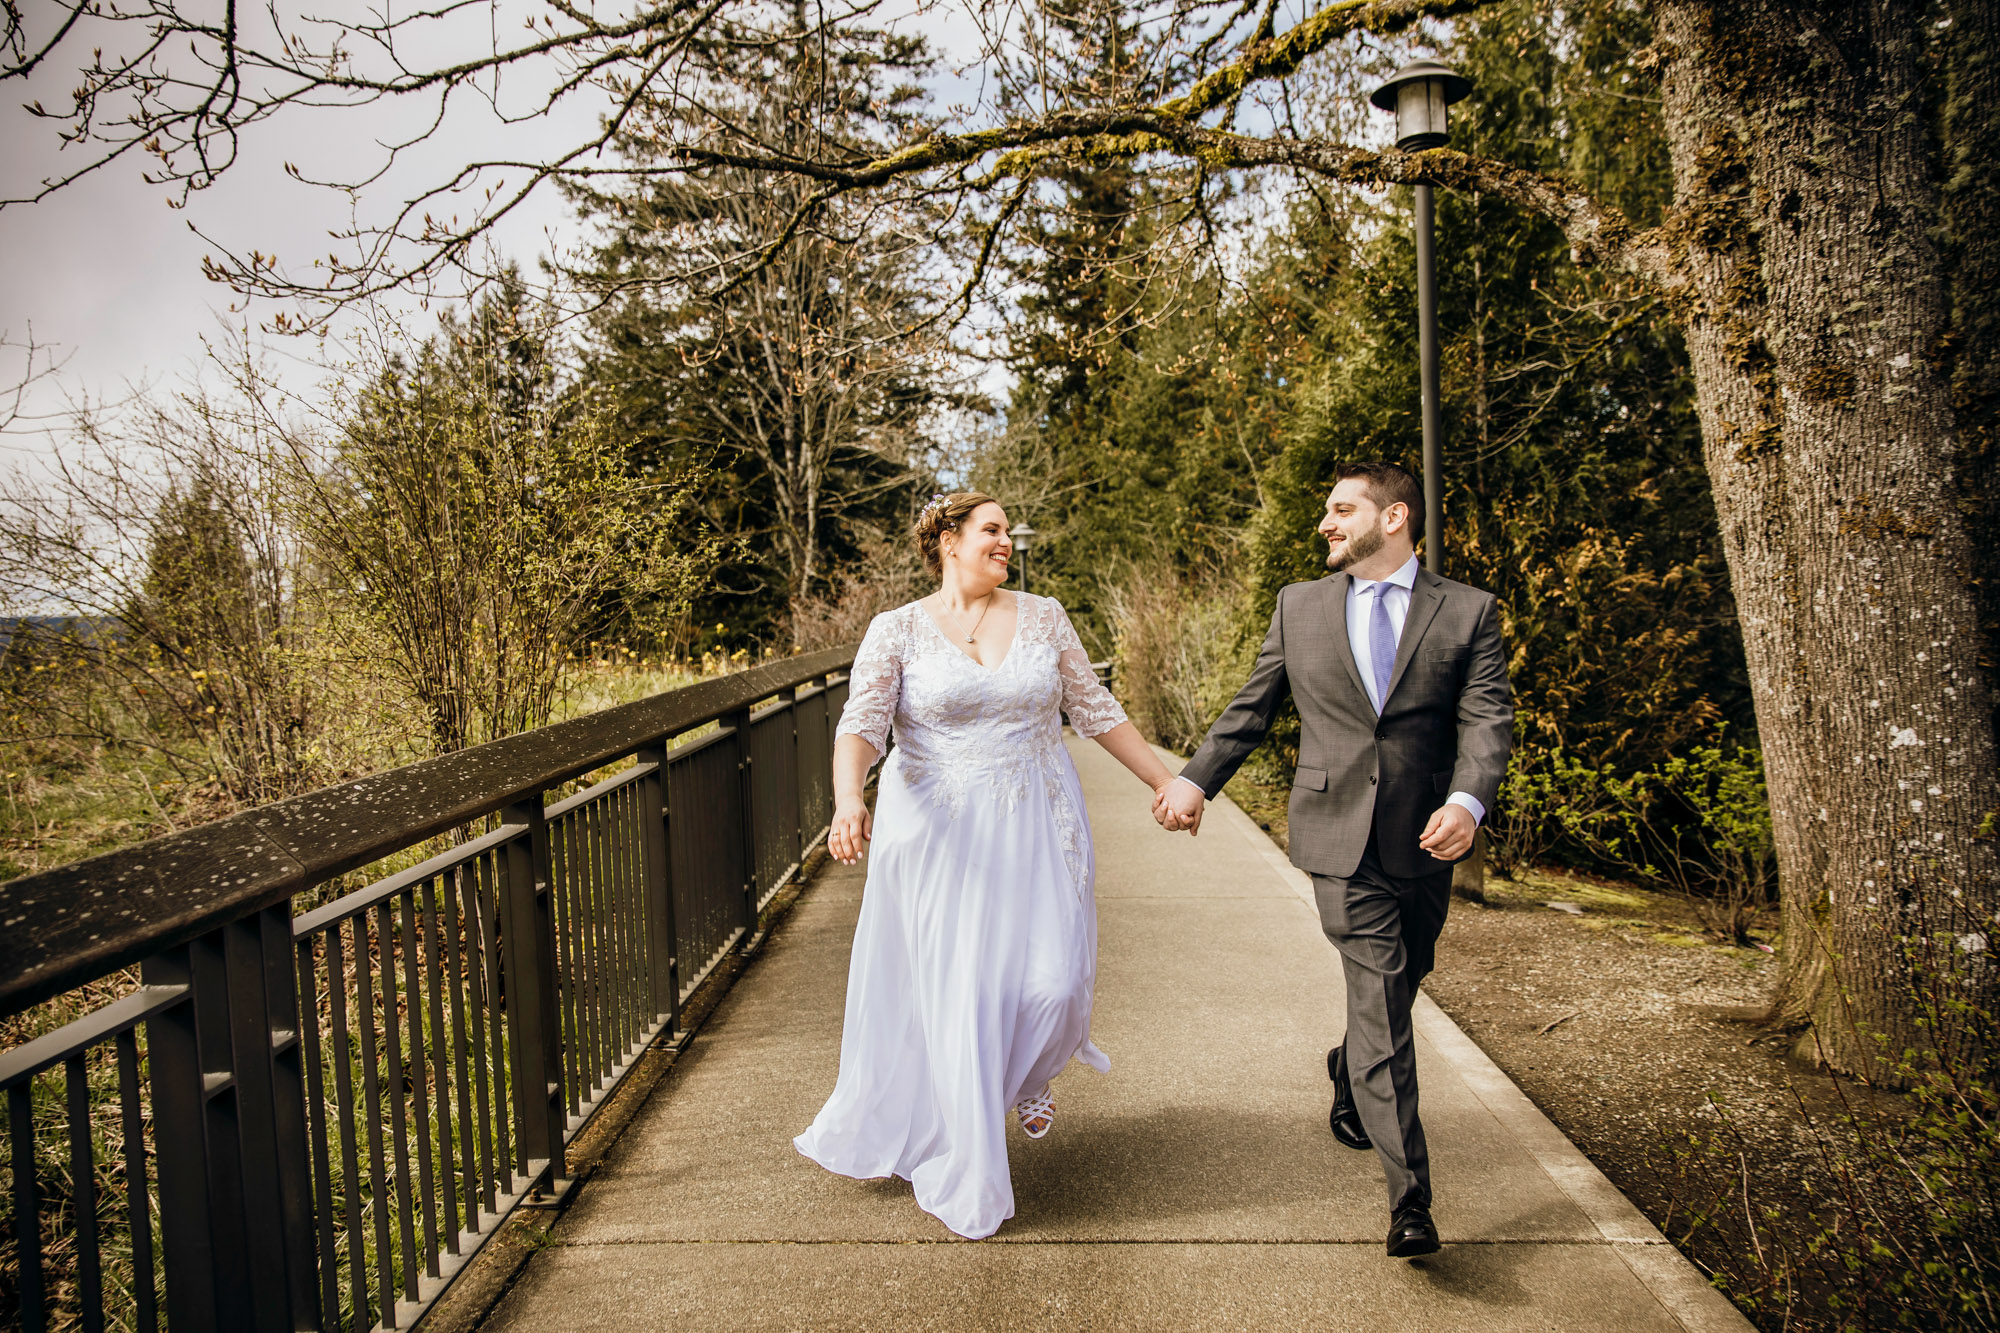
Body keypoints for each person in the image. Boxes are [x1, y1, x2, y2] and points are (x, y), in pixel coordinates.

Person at [795, 491, 1179, 1240]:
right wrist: (848, 799)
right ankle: (962, 1148)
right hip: (936, 837)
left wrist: (1164, 780)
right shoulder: (897, 629)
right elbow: (862, 725)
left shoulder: (1045, 615)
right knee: (960, 993)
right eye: (992, 529)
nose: (1005, 541)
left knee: (1055, 984)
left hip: (1037, 822)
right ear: (947, 539)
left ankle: (1030, 1073)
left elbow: (1094, 708)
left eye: (1007, 531)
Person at [1153, 461, 1513, 1259]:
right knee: (1383, 999)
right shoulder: (1301, 605)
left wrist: (1467, 801)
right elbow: (1254, 706)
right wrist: (1193, 781)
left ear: (1395, 518)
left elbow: (1487, 720)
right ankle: (1410, 1201)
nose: (1326, 521)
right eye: (1325, 509)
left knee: (1399, 983)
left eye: (1342, 509)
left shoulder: (1468, 611)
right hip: (1336, 841)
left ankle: (1349, 1067)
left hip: (1424, 840)